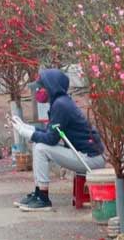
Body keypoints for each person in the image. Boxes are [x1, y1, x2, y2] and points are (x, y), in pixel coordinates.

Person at [12, 68, 105, 212]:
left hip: (90, 159)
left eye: (41, 87)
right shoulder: (60, 103)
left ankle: (43, 198)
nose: (39, 91)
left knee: (41, 148)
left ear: (51, 87)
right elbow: (51, 132)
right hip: (84, 156)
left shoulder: (61, 105)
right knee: (38, 144)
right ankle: (38, 192)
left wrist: (27, 133)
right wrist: (28, 128)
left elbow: (51, 139)